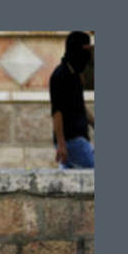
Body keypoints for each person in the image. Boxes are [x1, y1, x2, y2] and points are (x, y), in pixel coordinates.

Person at [49, 31, 95, 169]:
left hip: (76, 140)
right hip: (72, 141)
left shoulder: (74, 74)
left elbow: (79, 106)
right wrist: (61, 144)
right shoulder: (60, 75)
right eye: (87, 50)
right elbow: (57, 112)